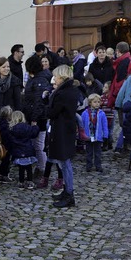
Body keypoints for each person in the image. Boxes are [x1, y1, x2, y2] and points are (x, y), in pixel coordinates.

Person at [47, 65, 79, 208]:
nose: (54, 79)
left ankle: (69, 194)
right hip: (65, 129)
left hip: (62, 130)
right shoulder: (69, 90)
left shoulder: (63, 93)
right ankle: (66, 191)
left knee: (65, 164)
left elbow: (53, 112)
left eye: (56, 76)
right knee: (63, 163)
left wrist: (46, 102)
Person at [22, 57, 51, 183]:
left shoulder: (40, 80)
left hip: (38, 118)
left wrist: (34, 119)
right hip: (33, 116)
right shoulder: (35, 79)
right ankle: (40, 167)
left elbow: (39, 102)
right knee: (36, 144)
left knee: (39, 145)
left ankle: (42, 169)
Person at [1, 110, 39, 189]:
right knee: (28, 167)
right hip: (28, 150)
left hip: (18, 151)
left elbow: (10, 140)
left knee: (21, 168)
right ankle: (29, 182)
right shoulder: (27, 127)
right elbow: (34, 133)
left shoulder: (12, 129)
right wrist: (35, 126)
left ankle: (21, 182)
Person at [82, 94, 109, 172]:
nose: (97, 103)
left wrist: (105, 135)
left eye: (98, 102)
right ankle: (89, 165)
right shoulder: (85, 113)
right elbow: (82, 124)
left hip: (98, 136)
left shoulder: (102, 113)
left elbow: (105, 125)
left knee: (98, 153)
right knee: (89, 152)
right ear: (90, 103)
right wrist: (82, 134)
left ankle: (98, 165)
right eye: (95, 102)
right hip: (88, 136)